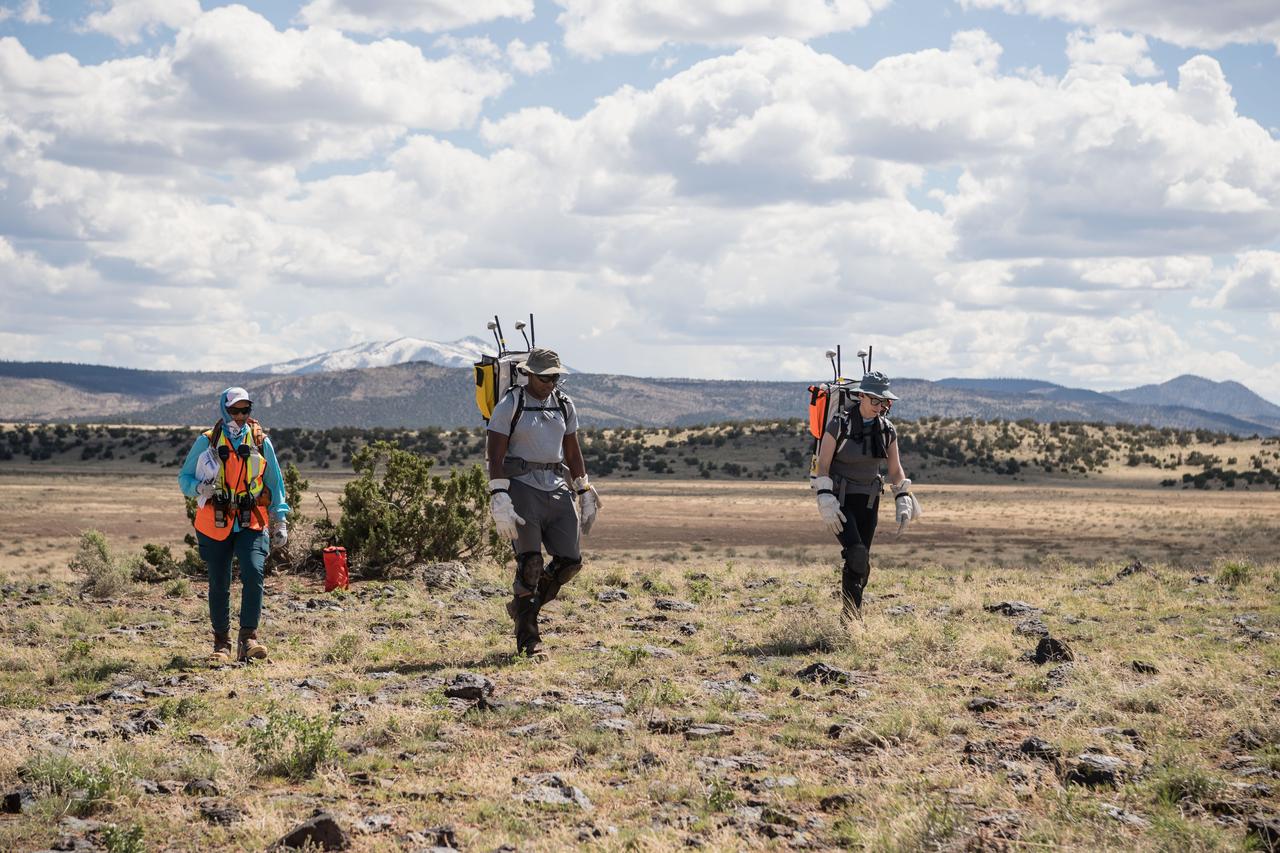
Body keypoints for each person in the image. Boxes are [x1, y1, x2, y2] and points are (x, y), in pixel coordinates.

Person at [485, 348, 600, 657]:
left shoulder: (564, 405)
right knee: (530, 564)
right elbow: (495, 454)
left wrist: (584, 489)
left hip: (557, 487)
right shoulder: (511, 404)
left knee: (570, 562)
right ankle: (529, 641)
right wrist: (499, 495)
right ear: (529, 374)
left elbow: (572, 452)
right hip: (522, 487)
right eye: (545, 377)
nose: (551, 382)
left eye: (555, 376)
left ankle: (523, 607)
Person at [178, 388, 289, 663]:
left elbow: (275, 484)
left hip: (251, 519)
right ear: (224, 410)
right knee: (219, 582)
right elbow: (184, 478)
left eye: (245, 410)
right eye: (234, 410)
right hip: (214, 522)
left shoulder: (262, 442)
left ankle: (248, 640)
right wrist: (199, 489)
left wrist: (281, 520)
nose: (240, 416)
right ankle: (221, 645)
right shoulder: (207, 441)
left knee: (253, 573)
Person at [810, 371, 921, 621]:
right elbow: (823, 464)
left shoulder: (887, 430)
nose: (880, 407)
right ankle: (851, 620)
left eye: (884, 402)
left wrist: (903, 496)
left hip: (869, 501)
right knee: (856, 553)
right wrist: (824, 497)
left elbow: (895, 468)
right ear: (861, 396)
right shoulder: (838, 425)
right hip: (839, 499)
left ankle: (850, 614)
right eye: (875, 401)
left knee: (861, 563)